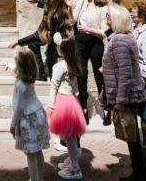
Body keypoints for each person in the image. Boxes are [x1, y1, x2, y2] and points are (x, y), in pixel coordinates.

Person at [102, 4, 146, 181]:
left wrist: (121, 99)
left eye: (108, 15)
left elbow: (125, 72)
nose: (106, 17)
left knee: (133, 138)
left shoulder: (120, 40)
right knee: (132, 137)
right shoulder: (121, 38)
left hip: (127, 96)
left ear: (116, 18)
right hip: (129, 94)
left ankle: (142, 175)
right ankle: (139, 173)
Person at [9, 0, 74, 81]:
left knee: (55, 77)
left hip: (59, 50)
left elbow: (37, 35)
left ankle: (44, 77)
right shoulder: (60, 10)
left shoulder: (53, 16)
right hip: (56, 47)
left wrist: (18, 42)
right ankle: (43, 76)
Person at [48, 33, 87, 180]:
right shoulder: (73, 64)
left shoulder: (59, 66)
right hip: (71, 99)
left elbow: (53, 86)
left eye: (59, 47)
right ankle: (72, 161)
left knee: (69, 136)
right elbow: (75, 87)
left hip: (63, 100)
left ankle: (75, 168)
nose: (57, 48)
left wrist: (51, 106)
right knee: (70, 135)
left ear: (62, 50)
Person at [10, 47, 50, 181]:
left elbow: (19, 108)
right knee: (37, 150)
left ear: (19, 65)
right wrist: (10, 67)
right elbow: (18, 68)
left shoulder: (20, 84)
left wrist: (13, 124)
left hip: (28, 119)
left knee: (30, 154)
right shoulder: (30, 77)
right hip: (38, 114)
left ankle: (34, 179)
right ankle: (40, 178)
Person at [74, 0, 109, 125]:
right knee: (81, 75)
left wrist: (88, 29)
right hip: (80, 43)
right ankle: (84, 108)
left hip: (95, 42)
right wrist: (70, 8)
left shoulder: (103, 7)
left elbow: (104, 32)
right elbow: (73, 20)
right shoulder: (82, 2)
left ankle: (106, 108)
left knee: (99, 74)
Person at [131, 1, 146, 159]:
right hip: (139, 81)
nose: (131, 13)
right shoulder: (136, 31)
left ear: (142, 15)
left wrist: (141, 77)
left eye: (134, 11)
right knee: (144, 114)